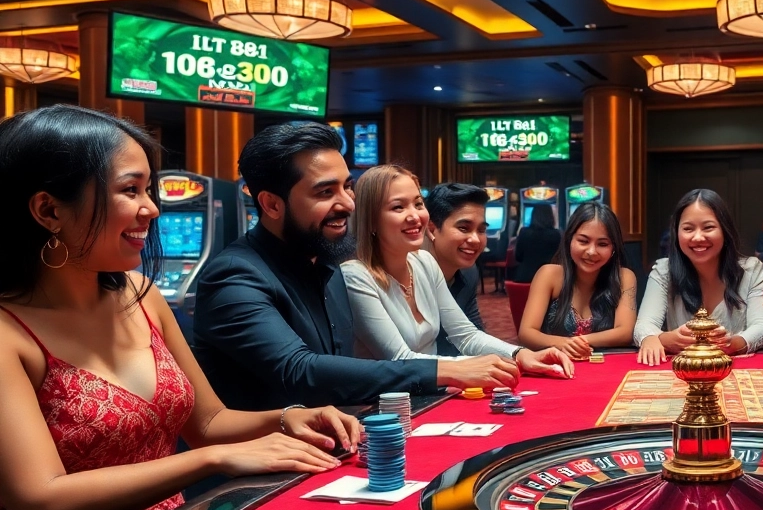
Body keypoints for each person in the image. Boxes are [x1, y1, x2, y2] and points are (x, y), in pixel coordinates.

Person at [0, 106, 359, 510]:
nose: (152, 210)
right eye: (130, 191)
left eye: (151, 190)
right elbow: (44, 505)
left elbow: (210, 421)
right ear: (48, 209)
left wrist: (287, 418)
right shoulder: (8, 333)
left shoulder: (142, 300)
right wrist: (211, 460)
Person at [192, 123, 526, 411]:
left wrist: (519, 355)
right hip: (263, 466)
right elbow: (299, 371)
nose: (348, 204)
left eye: (347, 187)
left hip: (333, 436)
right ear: (271, 204)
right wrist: (444, 371)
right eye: (326, 192)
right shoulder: (236, 274)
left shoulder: (325, 266)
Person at [341, 166, 573, 384]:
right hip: (382, 408)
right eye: (398, 207)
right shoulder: (356, 276)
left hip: (432, 392)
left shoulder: (424, 262)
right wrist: (471, 366)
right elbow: (400, 359)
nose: (415, 216)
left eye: (418, 204)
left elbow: (466, 335)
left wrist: (519, 353)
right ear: (371, 219)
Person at [635, 189, 763, 364]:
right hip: (681, 374)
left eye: (708, 227)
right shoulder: (663, 271)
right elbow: (644, 325)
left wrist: (733, 343)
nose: (698, 237)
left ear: (725, 230)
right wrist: (661, 338)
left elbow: (762, 327)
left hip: (734, 371)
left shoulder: (752, 270)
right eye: (688, 229)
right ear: (677, 233)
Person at [517, 202, 637, 359]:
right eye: (583, 241)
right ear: (569, 240)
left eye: (602, 244)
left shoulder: (624, 277)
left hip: (605, 368)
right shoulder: (549, 274)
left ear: (613, 248)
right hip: (556, 366)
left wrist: (575, 342)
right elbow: (527, 333)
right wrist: (562, 344)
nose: (592, 251)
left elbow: (625, 332)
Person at [423, 183, 487, 355]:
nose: (475, 239)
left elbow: (474, 331)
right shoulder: (407, 274)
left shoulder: (469, 272)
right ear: (432, 229)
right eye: (463, 228)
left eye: (481, 230)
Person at [512, 204, 561, 283]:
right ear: (551, 216)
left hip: (524, 278)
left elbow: (518, 257)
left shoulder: (524, 232)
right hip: (548, 280)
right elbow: (559, 260)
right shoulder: (556, 235)